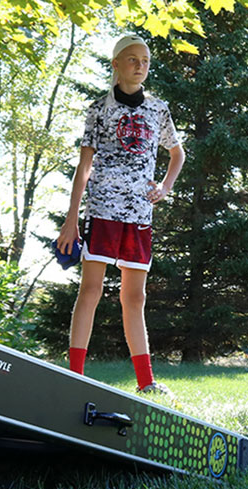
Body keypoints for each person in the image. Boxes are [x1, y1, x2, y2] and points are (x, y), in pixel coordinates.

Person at [55, 35, 185, 395]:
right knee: (91, 289)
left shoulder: (158, 109)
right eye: (131, 59)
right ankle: (75, 376)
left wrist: (165, 187)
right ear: (115, 64)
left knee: (135, 297)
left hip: (140, 213)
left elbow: (177, 154)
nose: (140, 66)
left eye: (145, 60)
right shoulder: (99, 109)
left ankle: (147, 382)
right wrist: (71, 220)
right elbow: (83, 167)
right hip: (103, 209)